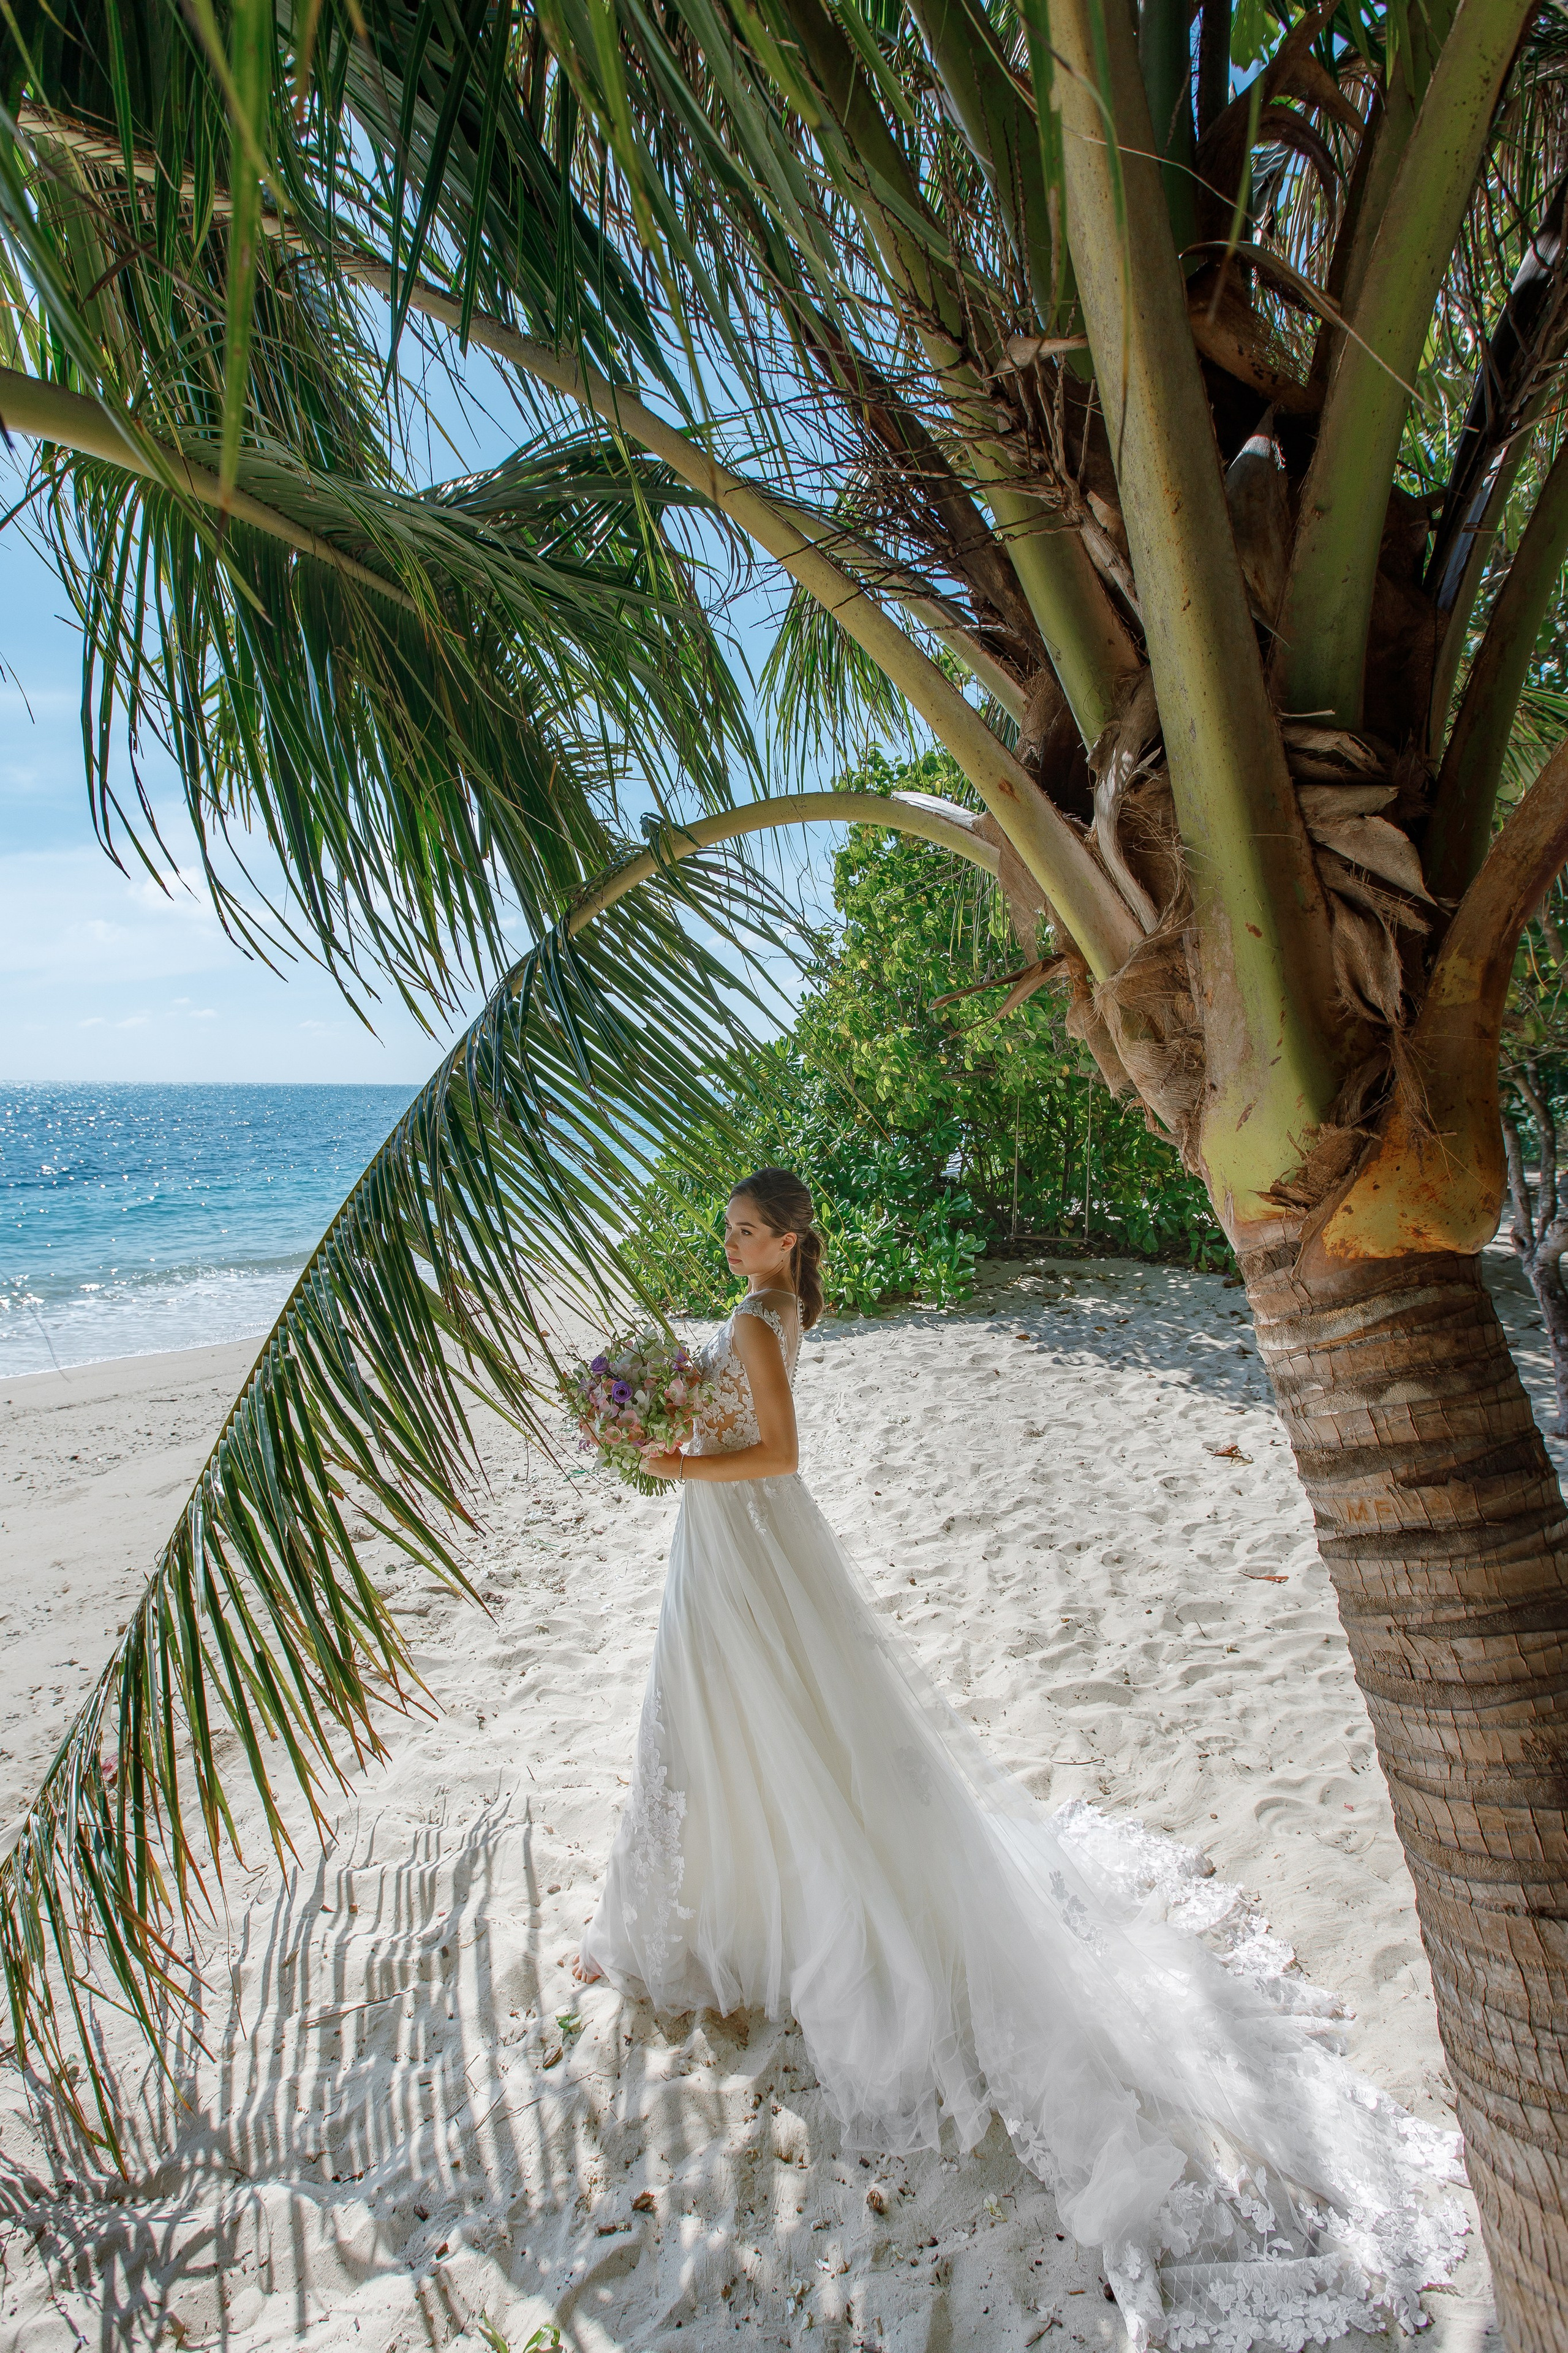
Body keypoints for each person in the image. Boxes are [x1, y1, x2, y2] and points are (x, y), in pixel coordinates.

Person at [575, 1168, 1467, 2351]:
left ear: (790, 1242)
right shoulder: (778, 1310)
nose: (731, 1239)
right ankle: (747, 1910)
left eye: (748, 1229)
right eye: (728, 1225)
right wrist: (681, 1425)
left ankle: (731, 1923)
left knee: (714, 1719)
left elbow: (776, 1454)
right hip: (752, 1548)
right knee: (753, 1720)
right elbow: (751, 1421)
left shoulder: (754, 1313)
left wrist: (676, 1463)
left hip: (742, 1532)